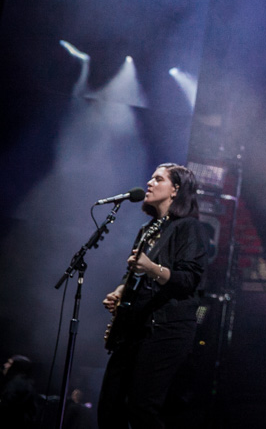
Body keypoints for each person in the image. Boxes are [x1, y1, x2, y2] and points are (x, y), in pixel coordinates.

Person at [98, 163, 208, 429]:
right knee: (109, 406)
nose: (149, 183)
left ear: (176, 190)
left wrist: (151, 267)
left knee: (142, 407)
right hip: (136, 326)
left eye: (158, 179)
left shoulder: (188, 227)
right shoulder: (147, 230)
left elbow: (189, 280)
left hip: (166, 328)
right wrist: (120, 291)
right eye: (151, 178)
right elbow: (134, 273)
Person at [1, 354, 42, 428]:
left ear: (16, 367)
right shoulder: (26, 383)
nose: (5, 365)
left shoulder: (17, 383)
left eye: (9, 363)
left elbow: (6, 406)